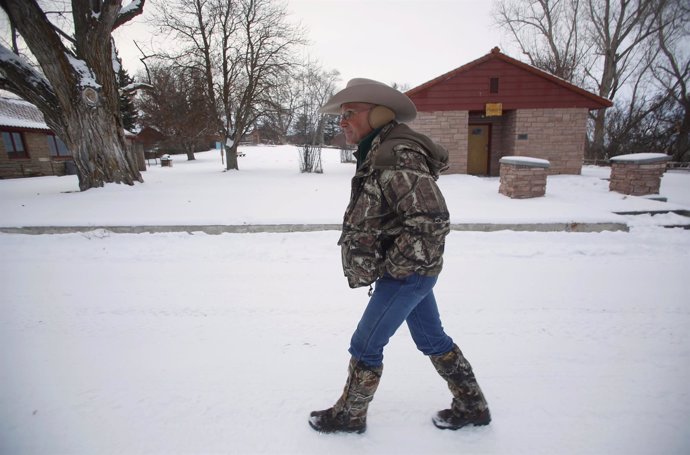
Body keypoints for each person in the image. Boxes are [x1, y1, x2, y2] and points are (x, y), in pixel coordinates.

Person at [308, 78, 491, 434]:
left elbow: (431, 220)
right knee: (431, 339)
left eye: (350, 113)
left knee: (365, 343)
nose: (342, 121)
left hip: (408, 273)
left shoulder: (396, 154)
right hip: (414, 269)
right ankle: (472, 405)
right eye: (341, 115)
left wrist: (396, 270)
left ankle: (350, 416)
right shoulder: (379, 150)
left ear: (378, 114)